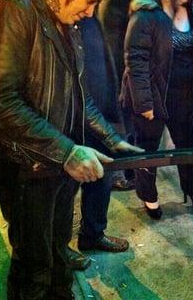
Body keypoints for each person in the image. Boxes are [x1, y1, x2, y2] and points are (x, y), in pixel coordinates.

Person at [0, 0, 143, 300]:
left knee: (58, 254)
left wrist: (110, 137)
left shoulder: (68, 24)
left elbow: (79, 93)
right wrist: (66, 150)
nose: (90, 11)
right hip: (23, 170)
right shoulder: (13, 13)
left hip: (57, 167)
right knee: (33, 266)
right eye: (90, 0)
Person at [121, 0, 193, 220]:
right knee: (148, 149)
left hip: (184, 94)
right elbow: (134, 59)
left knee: (189, 146)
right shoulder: (147, 13)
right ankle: (149, 197)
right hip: (154, 93)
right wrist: (144, 103)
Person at [99, 0, 156, 190]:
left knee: (119, 122)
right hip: (118, 68)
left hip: (108, 66)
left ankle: (123, 172)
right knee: (123, 124)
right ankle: (119, 176)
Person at [76, 15, 129, 253]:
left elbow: (101, 64)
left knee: (100, 180)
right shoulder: (62, 19)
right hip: (75, 119)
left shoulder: (90, 17)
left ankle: (92, 234)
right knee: (64, 187)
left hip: (98, 116)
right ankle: (60, 250)